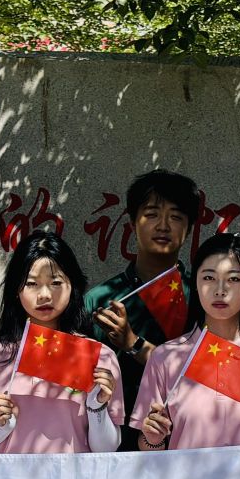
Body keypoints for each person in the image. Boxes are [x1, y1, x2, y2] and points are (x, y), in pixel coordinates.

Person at [134, 233, 240, 450]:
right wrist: (153, 438)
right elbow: (148, 449)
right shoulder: (166, 357)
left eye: (234, 279)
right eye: (209, 278)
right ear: (195, 283)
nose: (220, 290)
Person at [0, 231, 122, 453]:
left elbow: (107, 450)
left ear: (72, 285)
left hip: (73, 476)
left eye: (55, 282)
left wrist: (97, 407)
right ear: (15, 290)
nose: (44, 294)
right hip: (7, 476)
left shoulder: (99, 358)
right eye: (32, 283)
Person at [81, 169, 200, 449]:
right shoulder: (100, 300)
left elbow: (207, 379)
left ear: (189, 229)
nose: (163, 226)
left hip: (191, 445)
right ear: (133, 223)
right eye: (152, 214)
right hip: (117, 446)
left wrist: (133, 345)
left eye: (176, 217)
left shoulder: (204, 298)